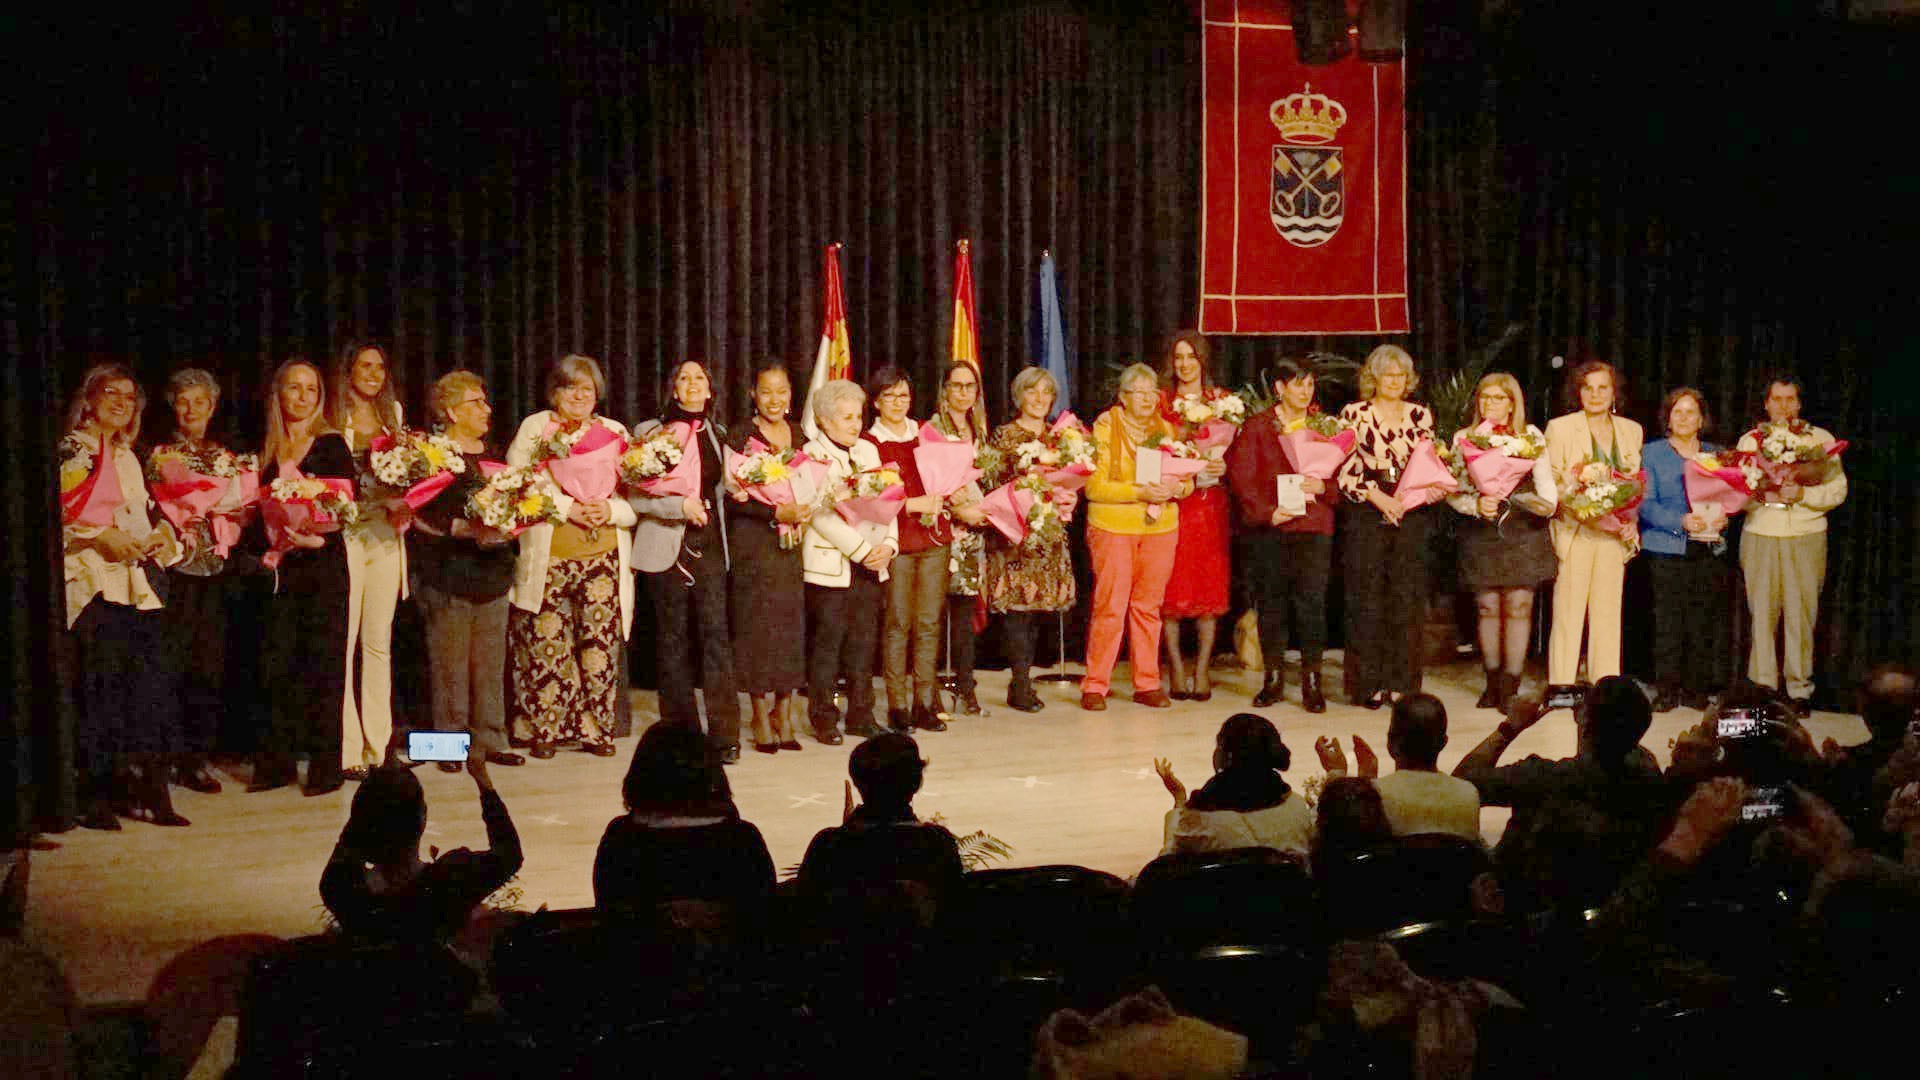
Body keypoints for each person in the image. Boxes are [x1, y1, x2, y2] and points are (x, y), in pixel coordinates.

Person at [59, 364, 186, 828]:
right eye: (110, 392)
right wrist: (97, 537)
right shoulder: (72, 450)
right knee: (101, 693)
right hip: (92, 581)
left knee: (148, 691)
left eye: (129, 397)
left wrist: (161, 537)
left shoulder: (128, 455)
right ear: (89, 398)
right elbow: (61, 516)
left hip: (134, 582)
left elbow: (141, 513)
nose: (120, 402)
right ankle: (95, 795)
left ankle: (150, 790)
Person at [505, 354, 638, 758]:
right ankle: (545, 729)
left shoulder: (614, 431)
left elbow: (638, 497)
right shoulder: (536, 427)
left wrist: (608, 510)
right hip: (550, 556)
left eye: (586, 388)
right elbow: (517, 483)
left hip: (603, 556)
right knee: (548, 644)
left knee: (598, 647)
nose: (579, 395)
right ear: (554, 392)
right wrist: (568, 508)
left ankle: (597, 730)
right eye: (569, 387)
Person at [1452, 677, 1669, 913]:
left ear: (1584, 722)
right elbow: (1603, 758)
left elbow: (1461, 785)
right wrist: (1589, 720)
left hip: (1527, 915)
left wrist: (1511, 726)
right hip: (1608, 914)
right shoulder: (1651, 780)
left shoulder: (1542, 778)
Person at [409, 371, 523, 774]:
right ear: (452, 411)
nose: (487, 408)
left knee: (489, 664)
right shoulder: (433, 454)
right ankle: (448, 745)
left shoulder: (492, 453)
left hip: (491, 571)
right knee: (449, 665)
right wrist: (459, 526)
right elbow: (417, 507)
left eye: (485, 401)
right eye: (477, 402)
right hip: (448, 571)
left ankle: (492, 739)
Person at [629, 360, 742, 762]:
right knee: (672, 642)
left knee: (716, 641)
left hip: (709, 545)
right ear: (673, 389)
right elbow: (636, 496)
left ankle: (725, 735)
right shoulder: (648, 433)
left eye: (700, 378)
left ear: (710, 390)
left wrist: (745, 487)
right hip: (667, 546)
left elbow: (726, 486)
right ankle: (681, 735)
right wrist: (679, 505)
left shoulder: (719, 433)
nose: (693, 384)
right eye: (684, 378)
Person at [253, 358, 357, 797]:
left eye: (310, 390)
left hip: (323, 566)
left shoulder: (331, 444)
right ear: (278, 393)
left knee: (323, 667)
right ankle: (275, 766)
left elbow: (345, 508)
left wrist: (317, 539)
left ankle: (324, 770)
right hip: (280, 568)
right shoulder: (266, 448)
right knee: (276, 667)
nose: (301, 397)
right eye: (293, 388)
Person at [147, 367, 253, 794]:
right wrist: (187, 514)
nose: (191, 409)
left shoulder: (228, 457)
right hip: (175, 569)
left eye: (200, 401)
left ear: (213, 407)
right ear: (173, 406)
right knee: (170, 666)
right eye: (183, 401)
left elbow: (244, 506)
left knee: (208, 668)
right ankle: (163, 758)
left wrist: (237, 515)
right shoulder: (159, 455)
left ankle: (195, 758)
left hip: (215, 569)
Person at [319, 749, 521, 942]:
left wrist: (379, 784)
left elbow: (351, 840)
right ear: (423, 817)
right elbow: (510, 854)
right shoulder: (451, 880)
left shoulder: (342, 889)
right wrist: (482, 779)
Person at [1224, 357, 1333, 712]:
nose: (1305, 391)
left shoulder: (1324, 426)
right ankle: (1272, 678)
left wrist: (1324, 485)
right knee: (1272, 604)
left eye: (1310, 384)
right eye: (1298, 384)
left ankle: (1312, 681)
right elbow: (1242, 478)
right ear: (1280, 388)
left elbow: (1344, 478)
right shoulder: (1258, 427)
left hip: (1313, 526)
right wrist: (1268, 513)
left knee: (1312, 606)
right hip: (1271, 528)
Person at [1081, 364, 1192, 711]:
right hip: (1114, 526)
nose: (1147, 398)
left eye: (1152, 392)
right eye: (1138, 392)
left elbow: (1187, 481)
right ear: (1123, 397)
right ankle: (1095, 684)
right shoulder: (1104, 427)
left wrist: (1178, 486)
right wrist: (1139, 491)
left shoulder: (1168, 429)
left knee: (1148, 607)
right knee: (1110, 606)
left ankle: (1147, 682)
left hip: (1160, 528)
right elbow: (1093, 486)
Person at [1736, 375, 1847, 716]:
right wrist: (1760, 492)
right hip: (1761, 532)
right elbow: (1735, 495)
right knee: (1762, 613)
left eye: (1790, 399)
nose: (1783, 406)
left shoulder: (1820, 440)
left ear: (1798, 404)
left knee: (1802, 613)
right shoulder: (1750, 442)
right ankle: (1764, 687)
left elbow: (1837, 490)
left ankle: (1799, 689)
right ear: (1766, 404)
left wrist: (1803, 494)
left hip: (1805, 532)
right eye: (1776, 399)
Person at [863, 366, 966, 733]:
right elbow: (872, 497)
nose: (897, 403)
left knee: (928, 623)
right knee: (897, 623)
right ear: (875, 402)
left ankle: (925, 701)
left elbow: (948, 478)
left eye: (903, 395)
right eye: (889, 396)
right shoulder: (869, 443)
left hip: (935, 539)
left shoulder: (927, 434)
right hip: (897, 542)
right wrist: (912, 504)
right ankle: (897, 705)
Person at [1447, 373, 1557, 711]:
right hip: (1482, 531)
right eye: (1485, 398)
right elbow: (1452, 489)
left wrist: (1538, 504)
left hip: (1522, 531)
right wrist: (1474, 505)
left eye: (1498, 398)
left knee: (1520, 607)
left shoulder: (1530, 435)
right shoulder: (1464, 438)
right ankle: (1492, 681)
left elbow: (1547, 490)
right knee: (1489, 606)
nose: (1490, 404)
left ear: (1513, 403)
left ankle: (1511, 683)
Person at [1336, 345, 1438, 709]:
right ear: (1373, 378)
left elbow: (1429, 466)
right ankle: (1368, 684)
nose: (1394, 381)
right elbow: (1344, 470)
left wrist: (1412, 498)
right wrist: (1378, 498)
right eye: (1387, 374)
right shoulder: (1354, 413)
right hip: (1367, 508)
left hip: (1411, 511)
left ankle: (1402, 683)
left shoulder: (1420, 416)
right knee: (1367, 598)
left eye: (1400, 375)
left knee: (1405, 599)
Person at [799, 379, 898, 745]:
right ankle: (823, 717)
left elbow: (891, 502)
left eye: (858, 416)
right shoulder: (810, 455)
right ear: (824, 420)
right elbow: (819, 516)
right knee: (828, 644)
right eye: (845, 417)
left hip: (872, 564)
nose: (855, 424)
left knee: (863, 643)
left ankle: (861, 714)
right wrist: (861, 550)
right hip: (832, 566)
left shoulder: (869, 452)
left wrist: (888, 545)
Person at [593, 724, 774, 918]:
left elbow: (610, 919)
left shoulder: (621, 839)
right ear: (712, 774)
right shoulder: (744, 840)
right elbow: (763, 920)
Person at [327, 341, 407, 774]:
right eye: (364, 365)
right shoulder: (332, 414)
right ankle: (347, 749)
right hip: (347, 531)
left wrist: (404, 499)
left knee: (379, 643)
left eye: (380, 366)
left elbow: (411, 470)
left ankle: (379, 747)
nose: (373, 373)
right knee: (346, 641)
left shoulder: (392, 413)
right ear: (348, 370)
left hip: (384, 530)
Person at [1543, 359, 1644, 693]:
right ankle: (1561, 687)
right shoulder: (1560, 428)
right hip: (1577, 531)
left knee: (1607, 617)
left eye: (1603, 387)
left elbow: (1634, 486)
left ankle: (1604, 689)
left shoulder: (1631, 430)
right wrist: (1579, 504)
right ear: (1578, 392)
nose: (1596, 394)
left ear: (1614, 392)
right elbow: (1551, 483)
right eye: (1588, 387)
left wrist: (1630, 522)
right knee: (1568, 614)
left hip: (1613, 537)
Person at [983, 367, 1078, 713]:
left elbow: (1074, 478)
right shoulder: (1004, 435)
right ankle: (1020, 682)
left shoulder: (1063, 435)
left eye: (1046, 393)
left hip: (1049, 534)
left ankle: (1021, 680)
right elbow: (992, 481)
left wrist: (1068, 497)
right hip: (1015, 534)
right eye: (1032, 392)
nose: (1039, 399)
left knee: (1039, 611)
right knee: (1017, 612)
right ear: (1018, 396)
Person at [725, 363, 809, 753]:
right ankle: (758, 713)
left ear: (790, 394)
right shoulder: (741, 436)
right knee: (757, 627)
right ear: (753, 396)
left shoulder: (800, 435)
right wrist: (776, 512)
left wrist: (804, 509)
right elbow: (734, 498)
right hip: (754, 542)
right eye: (766, 392)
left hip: (790, 545)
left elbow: (809, 483)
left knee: (790, 626)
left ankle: (784, 710)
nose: (774, 399)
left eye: (781, 391)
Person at [1639, 387, 1734, 712]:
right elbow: (1644, 503)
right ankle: (1666, 689)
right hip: (1666, 546)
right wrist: (1681, 521)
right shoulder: (1651, 453)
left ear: (1701, 418)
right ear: (1667, 417)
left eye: (1690, 412)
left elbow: (1730, 499)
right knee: (1667, 622)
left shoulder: (1717, 453)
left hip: (1707, 549)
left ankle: (1696, 690)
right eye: (1677, 412)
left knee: (1702, 621)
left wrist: (1723, 519)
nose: (1683, 418)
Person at [794, 732, 963, 899]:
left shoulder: (829, 845)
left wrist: (847, 830)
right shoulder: (936, 843)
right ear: (917, 783)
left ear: (856, 781)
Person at [1158, 331, 1232, 701]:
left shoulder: (1221, 402)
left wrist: (1220, 464)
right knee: (1170, 588)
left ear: (1203, 361)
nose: (1184, 364)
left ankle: (1202, 669)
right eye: (1178, 357)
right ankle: (1174, 665)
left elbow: (1235, 450)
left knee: (1209, 586)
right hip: (1173, 503)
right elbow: (1151, 448)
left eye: (1191, 357)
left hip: (1210, 502)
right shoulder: (1161, 402)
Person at [1316, 694, 1483, 842]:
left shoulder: (1375, 795)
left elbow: (1340, 841)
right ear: (1443, 743)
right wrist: (1367, 779)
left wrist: (1336, 774)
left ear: (1390, 743)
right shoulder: (1468, 795)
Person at [924, 362, 992, 717]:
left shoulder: (978, 428)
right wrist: (958, 508)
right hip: (942, 529)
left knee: (964, 614)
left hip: (972, 535)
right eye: (957, 386)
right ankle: (930, 690)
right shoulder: (934, 428)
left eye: (970, 386)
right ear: (945, 389)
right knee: (934, 614)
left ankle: (967, 686)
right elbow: (931, 479)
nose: (964, 393)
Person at [1153, 713, 1312, 858]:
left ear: (1224, 756)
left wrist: (1179, 801)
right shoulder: (1297, 808)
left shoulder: (1201, 820)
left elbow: (1166, 865)